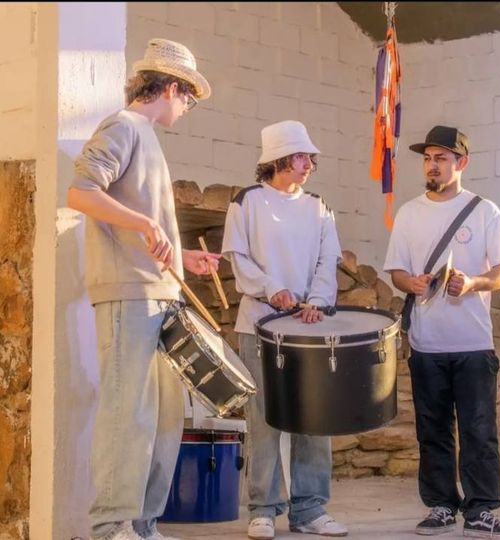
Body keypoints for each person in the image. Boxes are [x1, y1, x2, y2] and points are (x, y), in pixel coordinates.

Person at [67, 38, 220, 540]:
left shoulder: (147, 136)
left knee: (164, 419)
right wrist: (146, 225)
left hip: (159, 294)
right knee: (126, 410)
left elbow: (143, 225)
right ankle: (111, 526)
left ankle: (142, 523)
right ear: (170, 87)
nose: (189, 107)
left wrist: (182, 257)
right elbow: (81, 190)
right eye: (189, 97)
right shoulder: (122, 125)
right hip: (127, 293)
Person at [383, 126, 500, 539]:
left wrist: (475, 283)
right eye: (428, 158)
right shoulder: (408, 213)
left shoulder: (484, 211)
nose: (432, 165)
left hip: (473, 344)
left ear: (461, 163)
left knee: (480, 431)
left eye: (441, 158)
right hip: (427, 343)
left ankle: (481, 512)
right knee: (432, 430)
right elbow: (395, 271)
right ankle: (442, 506)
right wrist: (411, 284)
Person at [221, 120, 348, 540]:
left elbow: (326, 261)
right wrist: (272, 290)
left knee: (314, 417)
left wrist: (316, 302)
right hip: (259, 326)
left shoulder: (319, 206)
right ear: (278, 160)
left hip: (309, 329)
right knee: (264, 418)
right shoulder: (247, 203)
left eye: (310, 157)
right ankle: (263, 508)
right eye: (301, 156)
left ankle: (310, 507)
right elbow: (239, 260)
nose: (310, 163)